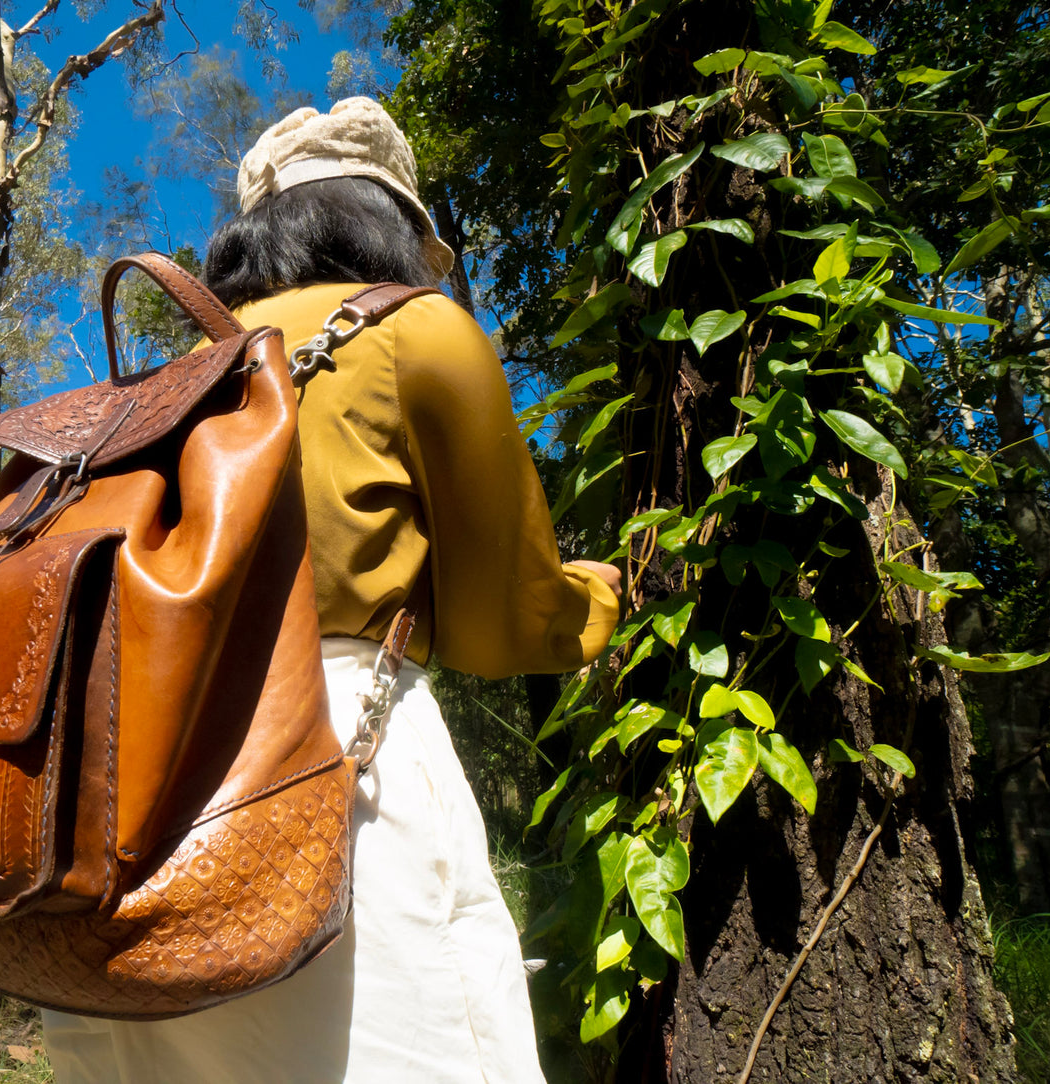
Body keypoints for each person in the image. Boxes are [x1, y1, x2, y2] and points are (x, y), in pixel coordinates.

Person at [40, 96, 622, 1084]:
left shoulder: (176, 379)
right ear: (389, 221)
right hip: (338, 758)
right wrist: (596, 598)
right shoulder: (417, 332)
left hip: (134, 784)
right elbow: (501, 626)